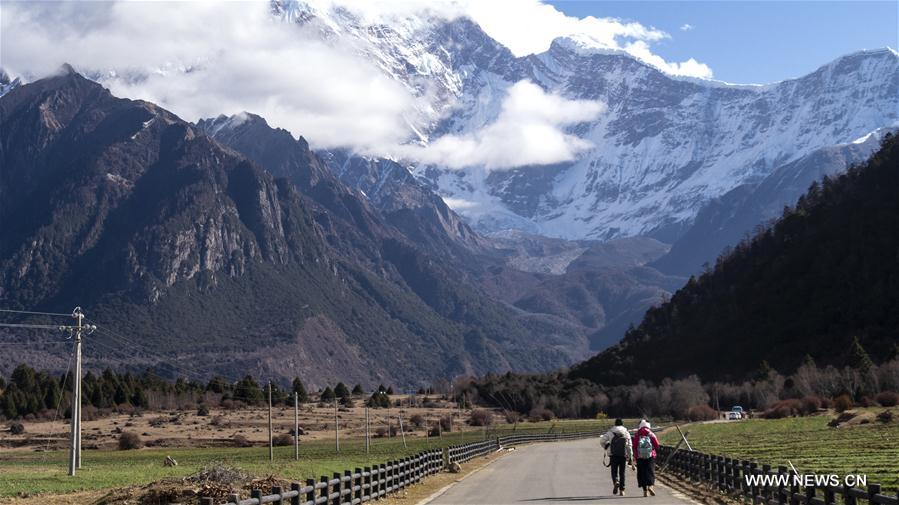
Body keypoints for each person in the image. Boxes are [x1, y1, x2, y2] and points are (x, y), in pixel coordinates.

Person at [599, 418, 634, 495]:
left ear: (615, 424)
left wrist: (606, 446)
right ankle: (622, 490)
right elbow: (629, 445)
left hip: (613, 455)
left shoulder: (610, 432)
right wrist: (630, 456)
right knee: (622, 473)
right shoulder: (626, 432)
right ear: (622, 424)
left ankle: (616, 481)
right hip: (623, 455)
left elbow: (602, 441)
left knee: (614, 471)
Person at [633, 419, 660, 497]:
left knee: (642, 472)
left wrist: (635, 456)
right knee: (650, 471)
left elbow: (634, 446)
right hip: (650, 455)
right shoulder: (651, 434)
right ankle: (650, 486)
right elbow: (657, 445)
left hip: (639, 456)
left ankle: (645, 491)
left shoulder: (637, 434)